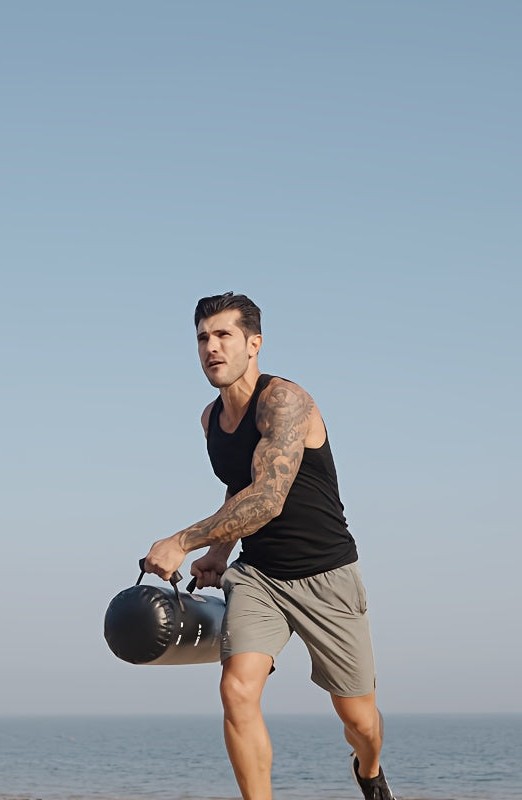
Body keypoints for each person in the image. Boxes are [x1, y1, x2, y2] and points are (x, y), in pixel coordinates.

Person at [144, 292, 394, 800]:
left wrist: (183, 541)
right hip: (259, 576)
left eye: (224, 335)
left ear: (254, 344)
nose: (211, 347)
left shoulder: (286, 401)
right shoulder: (210, 420)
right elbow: (239, 486)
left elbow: (267, 498)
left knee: (360, 721)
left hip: (326, 575)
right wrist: (218, 554)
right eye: (202, 338)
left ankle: (368, 771)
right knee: (236, 689)